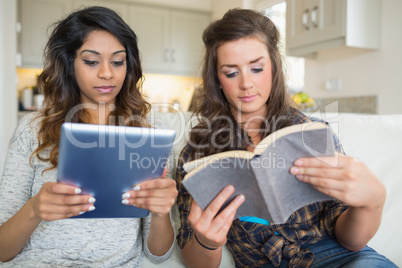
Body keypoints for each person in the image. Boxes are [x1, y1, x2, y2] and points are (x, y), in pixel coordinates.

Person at [175, 8, 397, 268]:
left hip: (338, 257)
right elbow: (195, 259)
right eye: (231, 73)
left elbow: (350, 242)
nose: (246, 83)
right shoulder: (197, 153)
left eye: (257, 68)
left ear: (273, 67)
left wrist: (372, 204)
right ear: (217, 79)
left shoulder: (311, 134)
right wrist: (207, 241)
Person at [0, 6, 177, 267]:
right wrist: (35, 209)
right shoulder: (32, 130)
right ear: (69, 63)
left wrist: (161, 214)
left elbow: (158, 255)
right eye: (92, 61)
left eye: (117, 61)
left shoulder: (148, 138)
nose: (107, 73)